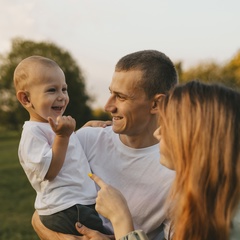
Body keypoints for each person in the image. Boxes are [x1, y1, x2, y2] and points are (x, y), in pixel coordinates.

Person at [31, 49, 179, 240]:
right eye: (111, 93)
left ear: (157, 104)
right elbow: (39, 215)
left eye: (121, 97)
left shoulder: (178, 175)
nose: (108, 106)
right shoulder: (85, 140)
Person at [79, 80, 240, 240]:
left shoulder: (233, 223)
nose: (158, 133)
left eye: (169, 125)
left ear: (197, 136)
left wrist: (121, 219)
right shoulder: (208, 202)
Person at [14, 56, 108, 236]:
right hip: (67, 208)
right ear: (26, 98)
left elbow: (69, 150)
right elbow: (50, 171)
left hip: (78, 204)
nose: (61, 96)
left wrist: (82, 129)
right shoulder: (32, 133)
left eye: (64, 89)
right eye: (51, 90)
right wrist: (63, 135)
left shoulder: (53, 128)